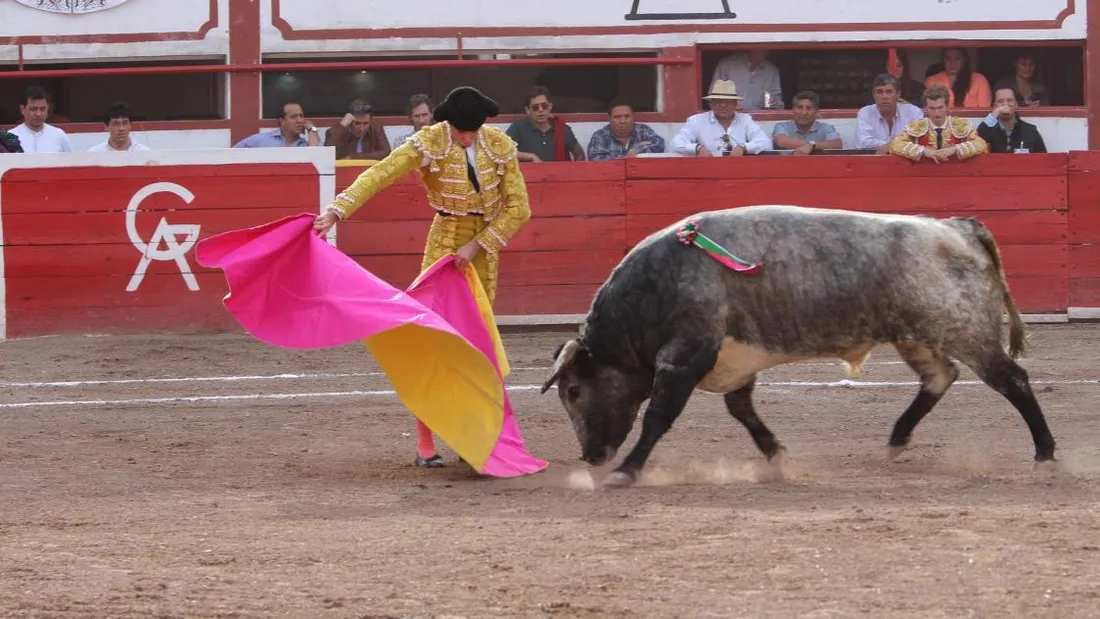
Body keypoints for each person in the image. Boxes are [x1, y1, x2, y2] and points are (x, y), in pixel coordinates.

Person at [312, 86, 532, 469]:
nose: (468, 137)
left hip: (481, 255)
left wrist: (478, 245)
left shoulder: (498, 144)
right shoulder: (428, 142)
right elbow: (380, 174)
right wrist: (337, 210)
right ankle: (426, 443)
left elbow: (520, 209)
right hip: (443, 248)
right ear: (449, 123)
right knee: (436, 345)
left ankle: (474, 436)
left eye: (473, 131)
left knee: (477, 346)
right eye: (462, 130)